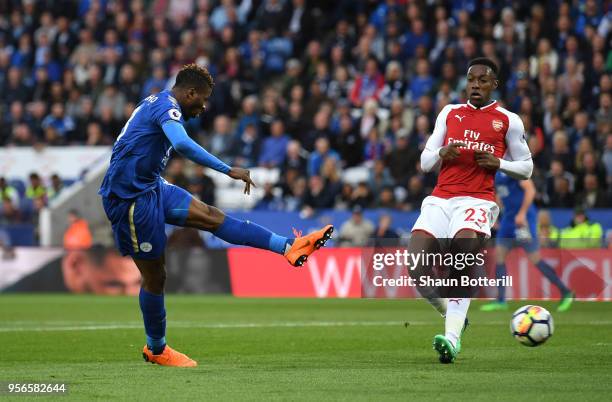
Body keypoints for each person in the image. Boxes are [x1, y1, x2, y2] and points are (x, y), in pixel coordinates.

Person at [98, 64, 333, 368]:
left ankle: (289, 247)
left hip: (150, 187)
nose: (204, 106)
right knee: (155, 277)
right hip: (129, 200)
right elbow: (181, 143)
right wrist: (228, 170)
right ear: (190, 92)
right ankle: (156, 348)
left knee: (211, 216)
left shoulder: (158, 103)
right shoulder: (167, 107)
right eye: (203, 99)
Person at [409, 58, 533, 364]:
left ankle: (451, 338)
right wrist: (440, 152)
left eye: (483, 80)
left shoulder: (508, 120)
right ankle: (451, 314)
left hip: (477, 200)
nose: (476, 85)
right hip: (440, 199)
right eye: (471, 80)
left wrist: (499, 163)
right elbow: (425, 162)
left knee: (462, 251)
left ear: (494, 85)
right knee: (415, 265)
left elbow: (527, 168)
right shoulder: (449, 113)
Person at [480, 174, 574, 312]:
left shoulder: (514, 168)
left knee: (535, 259)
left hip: (523, 222)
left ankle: (566, 292)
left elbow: (531, 190)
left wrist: (522, 213)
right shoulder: (496, 172)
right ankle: (500, 300)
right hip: (508, 220)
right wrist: (496, 214)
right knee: (499, 256)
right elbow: (500, 194)